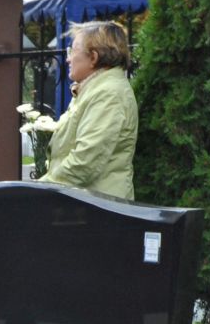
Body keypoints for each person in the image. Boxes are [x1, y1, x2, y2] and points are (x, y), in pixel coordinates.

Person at [41, 20, 138, 199]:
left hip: (97, 210)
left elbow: (84, 163)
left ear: (93, 57)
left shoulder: (108, 94)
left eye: (73, 51)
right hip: (87, 205)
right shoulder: (93, 89)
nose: (68, 58)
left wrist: (37, 190)